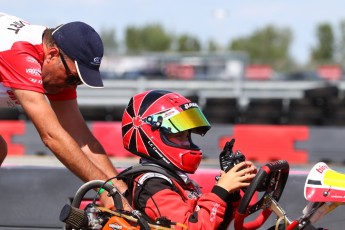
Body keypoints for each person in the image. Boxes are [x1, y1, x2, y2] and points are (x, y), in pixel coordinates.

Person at [0, 13, 127, 208]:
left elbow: (81, 138)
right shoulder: (18, 51)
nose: (72, 86)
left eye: (79, 82)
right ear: (52, 55)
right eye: (73, 79)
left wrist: (119, 188)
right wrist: (104, 189)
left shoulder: (56, 66)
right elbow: (52, 135)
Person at [120, 89, 257, 229]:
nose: (186, 143)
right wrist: (220, 191)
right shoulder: (151, 185)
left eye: (187, 136)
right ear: (151, 135)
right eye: (179, 136)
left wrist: (230, 195)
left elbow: (214, 224)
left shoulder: (176, 179)